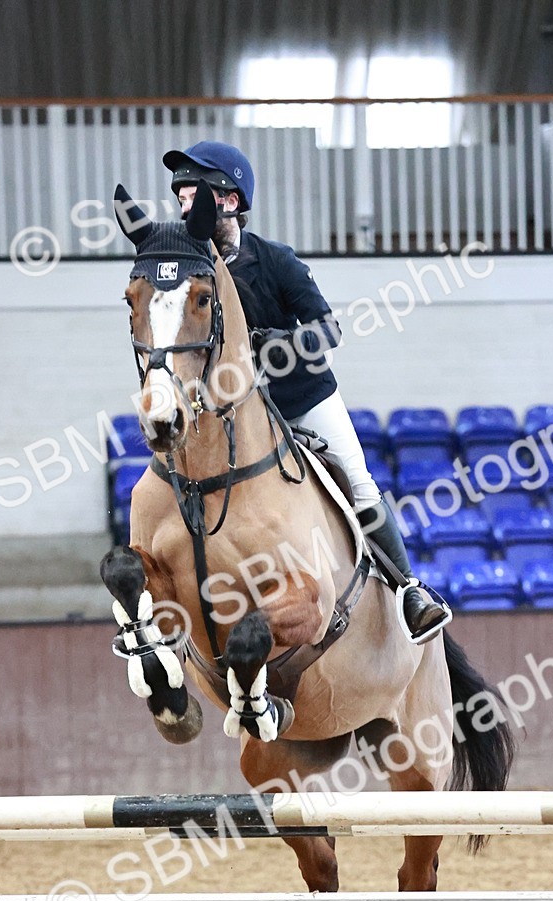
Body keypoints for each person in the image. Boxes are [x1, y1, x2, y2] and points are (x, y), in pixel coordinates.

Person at [162, 140, 449, 644]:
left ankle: (409, 590)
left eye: (194, 193)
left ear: (228, 200)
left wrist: (274, 344)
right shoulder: (191, 272)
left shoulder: (275, 261)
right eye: (180, 196)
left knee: (357, 482)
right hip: (230, 414)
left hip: (301, 402)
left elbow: (327, 330)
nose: (185, 205)